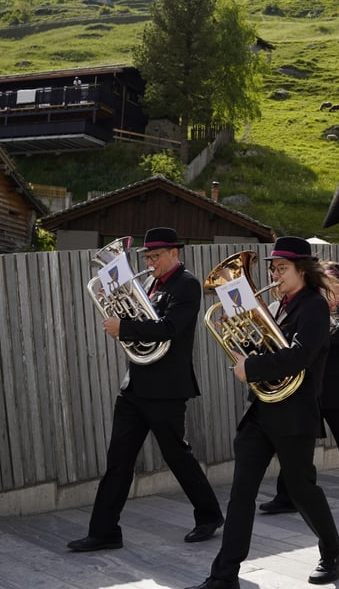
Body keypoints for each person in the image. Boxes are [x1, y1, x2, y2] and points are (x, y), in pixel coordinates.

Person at [187, 237, 339, 589]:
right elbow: (256, 347)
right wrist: (242, 344)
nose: (275, 274)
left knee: (303, 490)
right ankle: (224, 575)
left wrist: (253, 367)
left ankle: (334, 551)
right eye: (273, 268)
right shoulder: (275, 307)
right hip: (262, 411)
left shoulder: (314, 307)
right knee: (241, 493)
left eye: (282, 268)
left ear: (302, 270)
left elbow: (300, 356)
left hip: (294, 412)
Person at [68, 227, 225, 552]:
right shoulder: (151, 284)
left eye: (156, 256)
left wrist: (124, 327)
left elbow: (169, 328)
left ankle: (209, 515)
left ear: (174, 253)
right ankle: (104, 531)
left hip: (167, 388)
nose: (150, 261)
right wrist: (124, 319)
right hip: (135, 385)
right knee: (118, 461)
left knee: (176, 456)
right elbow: (141, 320)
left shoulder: (187, 285)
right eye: (147, 256)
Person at [259, 260, 339, 513]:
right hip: (310, 386)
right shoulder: (309, 309)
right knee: (299, 444)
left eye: (337, 282)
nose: (331, 286)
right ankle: (286, 496)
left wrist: (322, 321)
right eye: (327, 281)